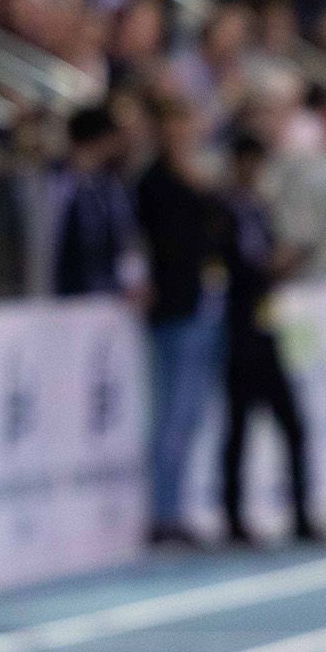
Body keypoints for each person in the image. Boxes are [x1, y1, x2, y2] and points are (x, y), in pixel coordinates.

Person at [218, 131, 319, 547]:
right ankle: (234, 520)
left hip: (266, 327)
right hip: (239, 331)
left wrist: (288, 261)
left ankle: (299, 516)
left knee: (291, 426)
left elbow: (267, 258)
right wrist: (273, 267)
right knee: (240, 426)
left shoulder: (257, 208)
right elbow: (237, 269)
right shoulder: (224, 210)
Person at [136, 98, 227, 544]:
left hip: (203, 304)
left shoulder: (196, 179)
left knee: (190, 416)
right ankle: (163, 515)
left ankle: (175, 509)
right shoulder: (153, 183)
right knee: (172, 415)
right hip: (175, 309)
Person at [50, 104, 142, 300]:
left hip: (103, 293)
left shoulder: (110, 187)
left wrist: (134, 279)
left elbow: (125, 236)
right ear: (104, 139)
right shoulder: (52, 182)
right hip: (56, 292)